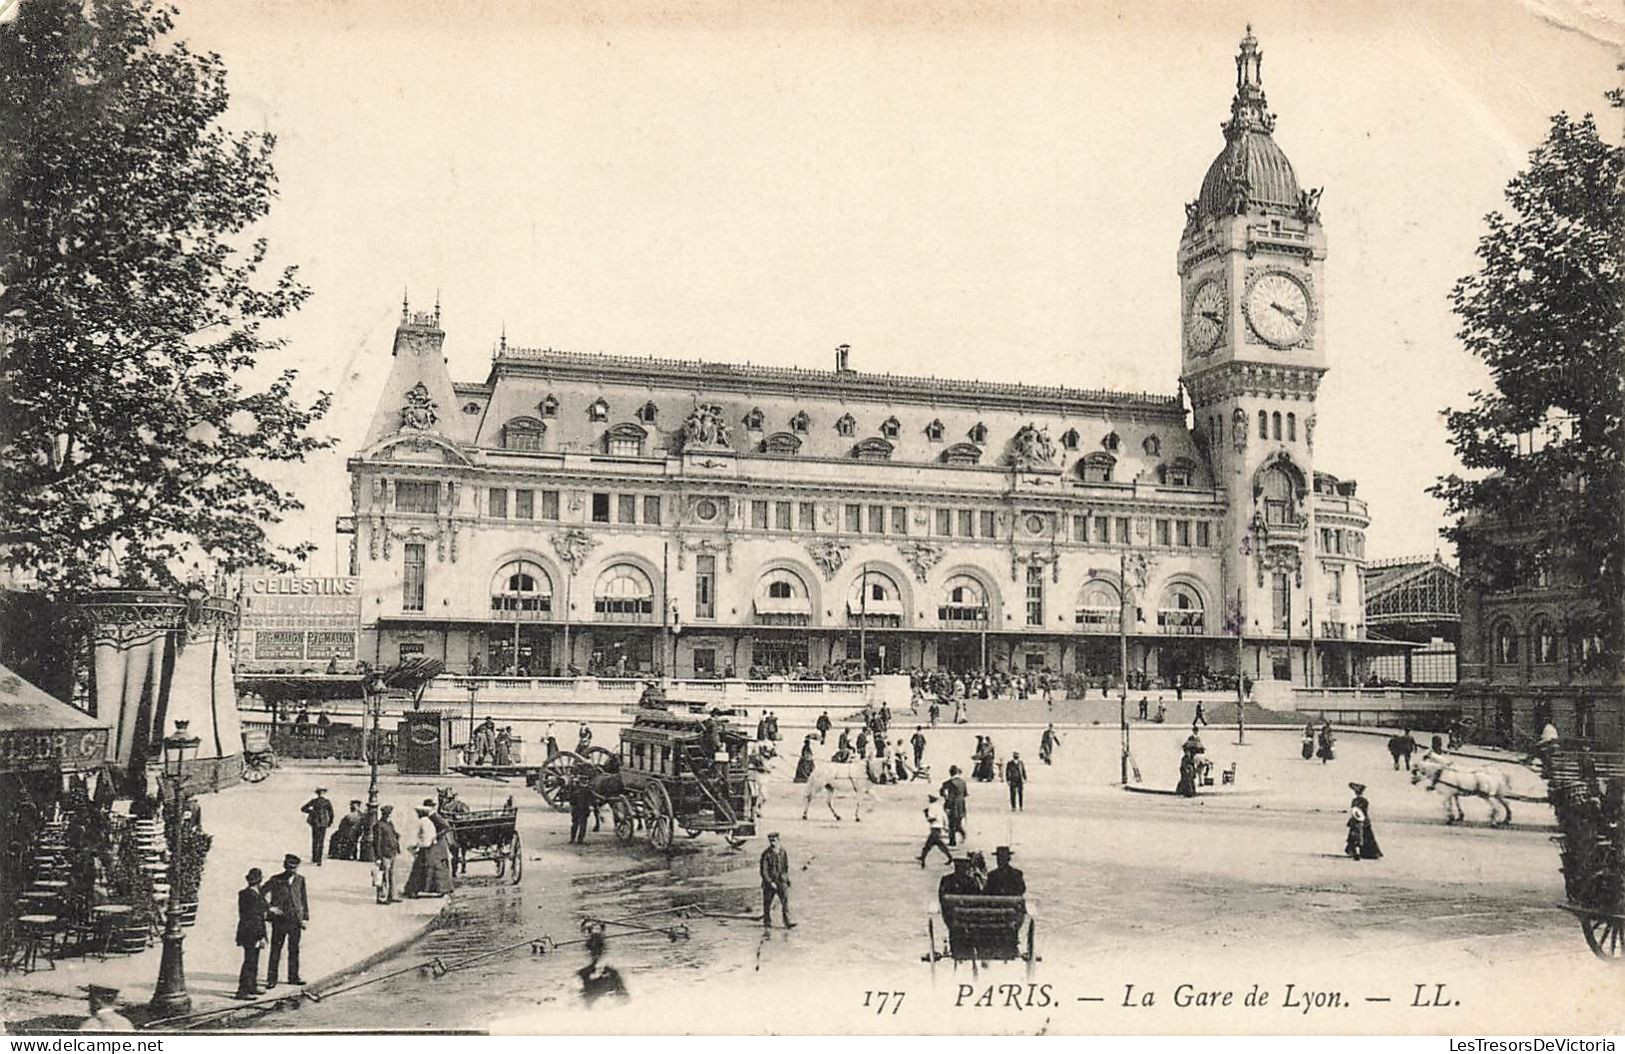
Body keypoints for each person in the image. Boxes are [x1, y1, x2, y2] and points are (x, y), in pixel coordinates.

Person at [263, 854, 308, 988]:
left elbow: (303, 899)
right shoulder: (276, 879)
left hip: (295, 919)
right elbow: (260, 893)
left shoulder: (300, 880)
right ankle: (272, 979)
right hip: (280, 920)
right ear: (285, 866)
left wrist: (305, 917)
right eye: (289, 868)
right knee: (276, 949)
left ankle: (293, 977)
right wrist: (271, 908)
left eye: (294, 868)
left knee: (294, 949)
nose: (292, 871)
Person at [405, 800, 453, 897]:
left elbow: (446, 827)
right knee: (432, 866)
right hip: (433, 845)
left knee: (428, 865)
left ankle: (417, 889)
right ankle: (441, 889)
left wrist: (435, 836)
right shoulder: (430, 817)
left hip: (436, 845)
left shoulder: (433, 816)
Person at [235, 868, 269, 999]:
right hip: (251, 932)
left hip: (247, 930)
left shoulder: (248, 893)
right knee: (249, 961)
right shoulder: (252, 896)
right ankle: (243, 991)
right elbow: (255, 917)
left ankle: (252, 986)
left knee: (253, 960)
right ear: (260, 880)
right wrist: (260, 936)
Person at [759, 832, 794, 928]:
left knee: (785, 903)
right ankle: (767, 922)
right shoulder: (766, 854)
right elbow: (763, 871)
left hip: (781, 881)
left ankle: (787, 922)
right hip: (769, 883)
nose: (772, 843)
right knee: (767, 904)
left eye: (774, 841)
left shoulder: (783, 852)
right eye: (770, 841)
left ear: (778, 841)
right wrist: (770, 882)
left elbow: (785, 867)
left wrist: (787, 880)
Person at [1345, 782, 1383, 861]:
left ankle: (1355, 852)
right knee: (1366, 836)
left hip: (1358, 821)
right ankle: (1369, 853)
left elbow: (1356, 812)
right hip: (1363, 820)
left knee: (1356, 836)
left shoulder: (1356, 800)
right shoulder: (1364, 800)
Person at [373, 805, 400, 903]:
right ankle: (382, 897)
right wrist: (378, 857)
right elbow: (377, 842)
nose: (391, 816)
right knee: (383, 875)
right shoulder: (379, 825)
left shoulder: (389, 824)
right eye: (390, 814)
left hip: (392, 852)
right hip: (384, 853)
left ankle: (392, 895)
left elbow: (394, 834)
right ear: (386, 815)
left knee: (391, 875)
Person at [301, 787, 334, 866]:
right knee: (321, 841)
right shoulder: (326, 802)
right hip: (323, 823)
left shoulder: (314, 801)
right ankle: (319, 860)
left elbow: (303, 808)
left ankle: (314, 857)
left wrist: (311, 812)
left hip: (315, 823)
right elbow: (331, 813)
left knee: (315, 840)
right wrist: (330, 822)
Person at [917, 794, 953, 866]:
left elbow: (931, 819)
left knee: (932, 844)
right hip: (939, 828)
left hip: (934, 828)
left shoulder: (931, 807)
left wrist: (926, 814)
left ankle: (923, 858)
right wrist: (946, 827)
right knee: (934, 845)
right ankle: (923, 857)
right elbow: (944, 817)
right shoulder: (940, 807)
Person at [940, 765, 969, 846]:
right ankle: (962, 834)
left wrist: (948, 805)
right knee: (958, 821)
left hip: (952, 804)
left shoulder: (948, 783)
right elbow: (965, 794)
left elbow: (944, 794)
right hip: (961, 804)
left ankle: (952, 841)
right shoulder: (963, 782)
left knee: (951, 823)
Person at [569, 774, 594, 844]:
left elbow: (591, 799)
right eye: (584, 780)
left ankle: (580, 839)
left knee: (582, 826)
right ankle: (573, 839)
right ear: (581, 780)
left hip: (583, 810)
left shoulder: (587, 789)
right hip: (577, 809)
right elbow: (571, 798)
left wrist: (591, 807)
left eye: (587, 779)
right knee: (575, 825)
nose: (586, 781)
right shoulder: (576, 788)